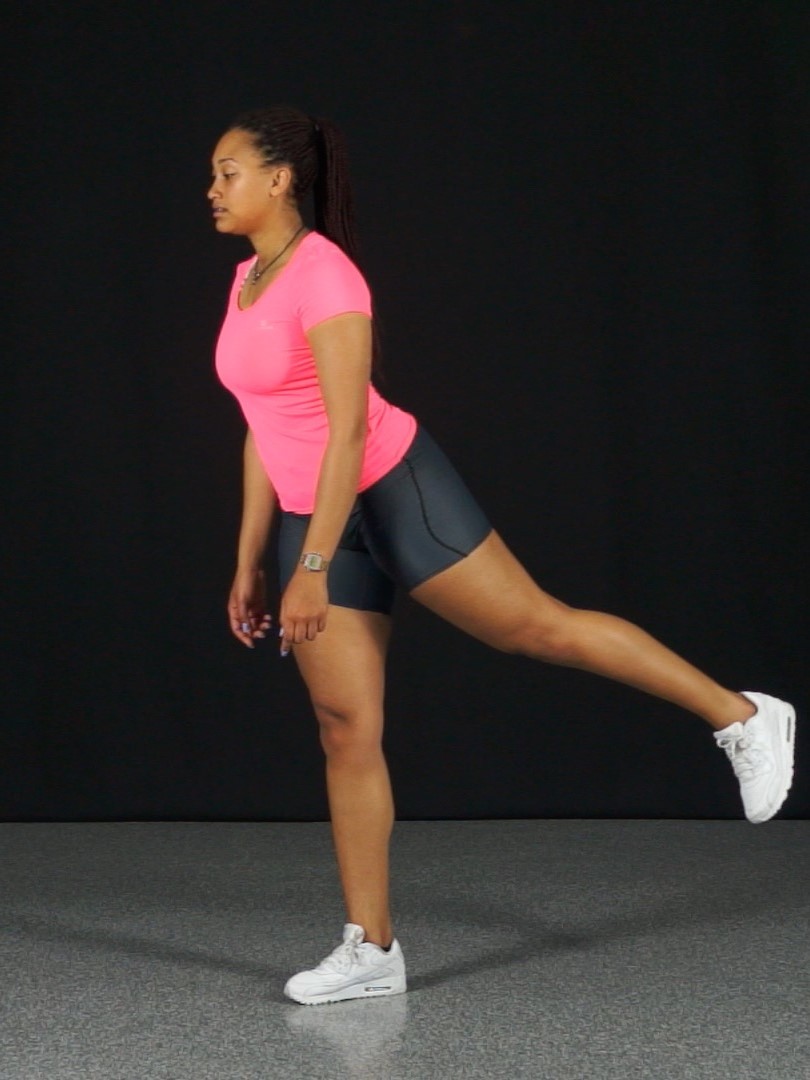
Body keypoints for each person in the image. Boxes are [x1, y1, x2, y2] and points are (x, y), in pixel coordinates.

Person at [208, 105, 796, 1007]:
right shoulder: (248, 280)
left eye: (228, 173)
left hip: (390, 489)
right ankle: (372, 948)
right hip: (310, 513)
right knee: (344, 725)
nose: (213, 191)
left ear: (280, 179)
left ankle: (743, 715)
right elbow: (264, 426)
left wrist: (311, 568)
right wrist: (252, 560)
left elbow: (347, 429)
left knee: (537, 628)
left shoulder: (325, 276)